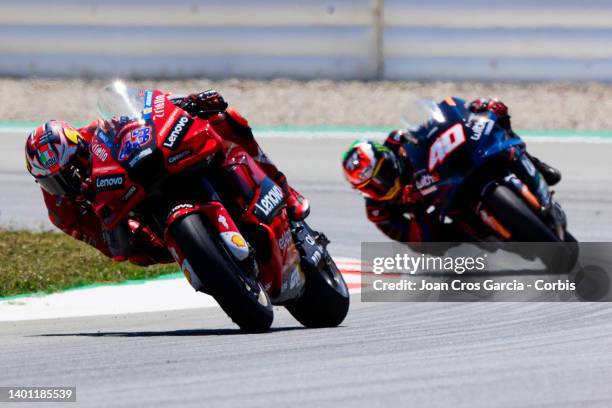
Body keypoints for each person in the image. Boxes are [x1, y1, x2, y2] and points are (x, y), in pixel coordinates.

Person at [25, 89, 309, 266]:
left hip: (151, 171)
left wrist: (189, 102)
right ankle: (201, 258)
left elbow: (150, 110)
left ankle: (285, 190)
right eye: (53, 181)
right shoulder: (60, 209)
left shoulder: (95, 133)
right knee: (136, 248)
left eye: (69, 171)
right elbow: (115, 250)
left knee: (224, 118)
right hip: (135, 220)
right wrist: (114, 222)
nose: (65, 185)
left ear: (79, 148)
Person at [341, 97, 561, 243]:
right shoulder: (378, 212)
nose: (381, 186)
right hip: (439, 214)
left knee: (497, 125)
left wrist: (472, 113)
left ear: (387, 158)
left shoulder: (397, 142)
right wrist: (418, 211)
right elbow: (413, 238)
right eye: (371, 188)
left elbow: (429, 129)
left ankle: (537, 166)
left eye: (383, 175)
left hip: (448, 176)